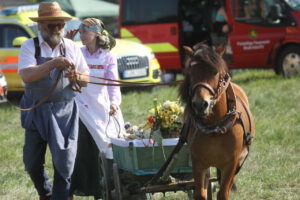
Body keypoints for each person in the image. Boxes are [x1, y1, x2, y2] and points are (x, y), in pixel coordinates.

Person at [18, 2, 89, 200]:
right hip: (36, 110)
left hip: (64, 110)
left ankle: (62, 197)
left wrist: (77, 78)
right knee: (31, 162)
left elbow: (86, 79)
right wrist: (53, 64)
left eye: (60, 25)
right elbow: (26, 75)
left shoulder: (72, 47)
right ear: (41, 25)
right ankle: (45, 192)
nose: (57, 29)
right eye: (52, 25)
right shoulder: (29, 46)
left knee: (65, 163)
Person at [67, 18, 125, 199]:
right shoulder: (77, 51)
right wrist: (68, 41)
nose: (82, 35)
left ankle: (104, 189)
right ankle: (77, 188)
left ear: (96, 34)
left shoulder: (107, 56)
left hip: (101, 107)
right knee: (81, 149)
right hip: (80, 105)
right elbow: (63, 62)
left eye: (85, 32)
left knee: (104, 147)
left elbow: (112, 84)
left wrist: (114, 103)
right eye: (80, 32)